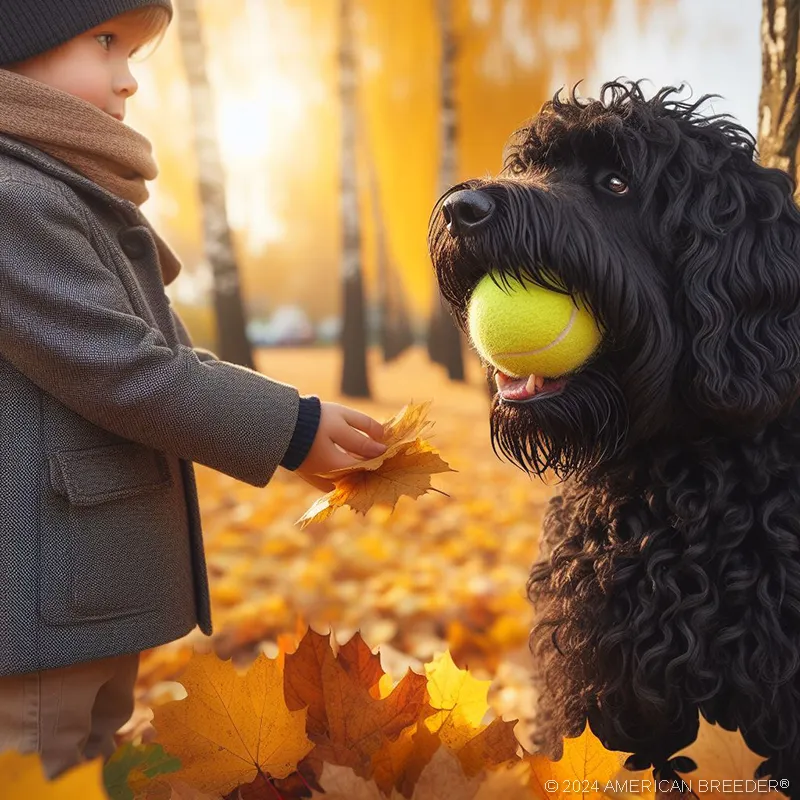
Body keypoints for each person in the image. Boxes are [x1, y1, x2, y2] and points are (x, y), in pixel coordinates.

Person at [0, 0, 387, 780]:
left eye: (135, 55)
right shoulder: (15, 197)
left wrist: (296, 426)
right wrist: (290, 428)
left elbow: (163, 355)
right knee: (42, 759)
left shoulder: (60, 190)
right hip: (41, 590)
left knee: (85, 750)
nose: (127, 80)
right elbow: (120, 368)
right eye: (105, 43)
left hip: (77, 584)